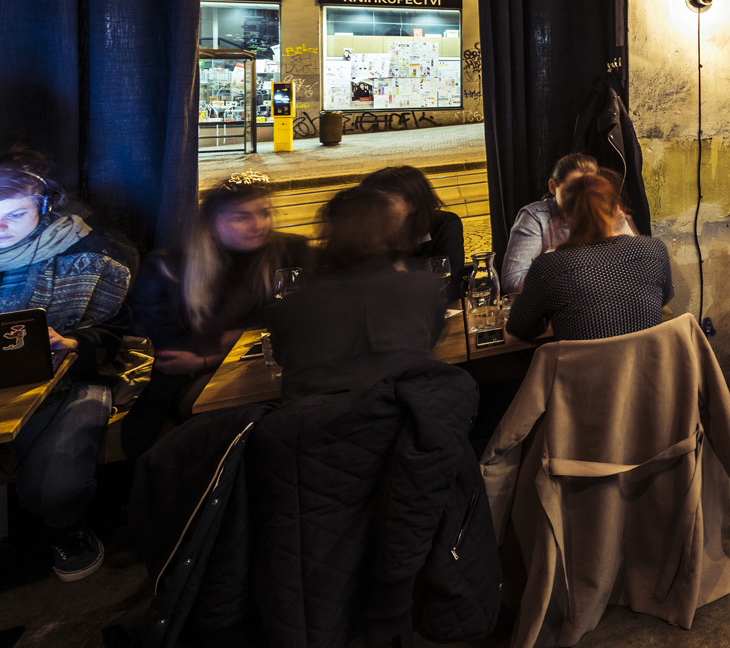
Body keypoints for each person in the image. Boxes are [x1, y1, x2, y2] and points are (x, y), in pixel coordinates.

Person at [0, 150, 135, 582]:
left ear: (42, 207)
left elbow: (118, 331)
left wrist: (74, 341)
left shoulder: (89, 252)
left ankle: (65, 527)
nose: (1, 228)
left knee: (59, 479)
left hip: (72, 377)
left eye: (15, 214)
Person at [125, 172, 311, 458]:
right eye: (241, 217)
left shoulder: (290, 253)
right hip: (191, 383)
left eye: (263, 213)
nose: (258, 225)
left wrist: (219, 350)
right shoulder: (167, 268)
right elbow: (176, 354)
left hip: (275, 371)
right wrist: (251, 338)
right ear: (212, 223)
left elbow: (301, 324)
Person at [268, 185, 446, 399]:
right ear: (392, 235)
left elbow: (282, 357)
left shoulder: (293, 307)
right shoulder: (422, 289)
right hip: (403, 413)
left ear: (331, 236)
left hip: (317, 418)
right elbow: (427, 341)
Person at [508, 171, 674, 341]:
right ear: (617, 210)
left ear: (567, 216)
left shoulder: (549, 267)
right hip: (646, 358)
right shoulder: (655, 250)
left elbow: (519, 328)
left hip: (580, 360)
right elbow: (662, 298)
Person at [499, 153, 602, 295]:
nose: (580, 199)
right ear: (553, 187)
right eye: (572, 190)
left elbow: (630, 267)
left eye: (588, 190)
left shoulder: (606, 214)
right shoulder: (535, 217)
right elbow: (513, 282)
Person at [359, 165, 464, 282]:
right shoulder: (368, 233)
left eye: (384, 202)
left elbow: (449, 284)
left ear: (413, 204)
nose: (374, 209)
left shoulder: (442, 225)